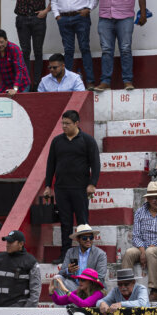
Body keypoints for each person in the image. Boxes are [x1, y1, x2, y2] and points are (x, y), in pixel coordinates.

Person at [43, 109, 100, 259]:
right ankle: (65, 255)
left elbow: (95, 164)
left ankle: (86, 254)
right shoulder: (57, 141)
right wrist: (48, 186)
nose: (64, 126)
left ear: (76, 123)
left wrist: (92, 183)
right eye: (62, 123)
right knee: (65, 223)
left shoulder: (87, 140)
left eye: (67, 123)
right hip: (61, 189)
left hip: (80, 188)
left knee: (83, 222)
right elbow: (51, 165)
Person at [82, 0, 146, 91]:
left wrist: (143, 14)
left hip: (125, 17)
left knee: (125, 49)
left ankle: (128, 81)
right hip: (105, 18)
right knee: (106, 50)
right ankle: (105, 82)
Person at [5, 0, 52, 90]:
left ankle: (36, 83)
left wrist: (46, 11)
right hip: (22, 18)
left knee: (38, 51)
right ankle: (26, 82)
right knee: (25, 51)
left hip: (38, 18)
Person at [0, 230, 40, 308]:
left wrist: (27, 311)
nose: (7, 245)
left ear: (21, 244)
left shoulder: (31, 262)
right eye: (7, 242)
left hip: (18, 310)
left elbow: (35, 290)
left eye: (11, 242)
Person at [55, 224, 107, 291]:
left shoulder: (100, 254)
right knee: (57, 278)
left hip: (93, 288)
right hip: (75, 287)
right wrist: (68, 270)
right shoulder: (71, 252)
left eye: (91, 237)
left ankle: (77, 299)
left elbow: (100, 277)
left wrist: (85, 286)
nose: (88, 240)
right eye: (84, 238)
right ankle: (74, 299)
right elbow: (61, 272)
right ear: (78, 239)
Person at [0, 29, 30, 96]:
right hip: (5, 84)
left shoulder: (14, 49)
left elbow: (19, 70)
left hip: (21, 84)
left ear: (6, 40)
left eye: (1, 42)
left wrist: (15, 89)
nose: (0, 45)